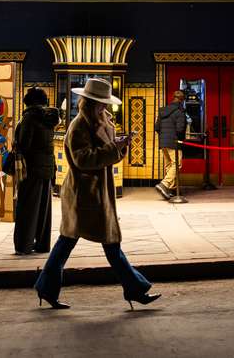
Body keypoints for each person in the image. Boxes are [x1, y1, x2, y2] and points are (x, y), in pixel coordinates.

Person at [34, 77, 160, 310]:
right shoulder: (79, 125)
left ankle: (46, 288)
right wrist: (114, 148)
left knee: (77, 242)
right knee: (96, 242)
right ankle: (135, 288)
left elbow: (105, 153)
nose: (106, 107)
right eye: (101, 103)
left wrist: (119, 146)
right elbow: (83, 159)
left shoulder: (102, 121)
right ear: (90, 103)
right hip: (85, 194)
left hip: (97, 193)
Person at [12, 87, 60, 255]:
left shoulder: (29, 118)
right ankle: (42, 244)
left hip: (31, 169)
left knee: (27, 208)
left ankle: (23, 245)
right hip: (47, 168)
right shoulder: (49, 118)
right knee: (43, 209)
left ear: (28, 101)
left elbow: (25, 145)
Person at [154, 89, 188, 199]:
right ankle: (165, 184)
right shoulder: (180, 112)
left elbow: (157, 127)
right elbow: (180, 129)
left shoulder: (163, 110)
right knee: (177, 164)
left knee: (169, 164)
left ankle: (171, 190)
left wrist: (164, 136)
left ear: (173, 98)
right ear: (182, 100)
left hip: (163, 142)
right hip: (174, 142)